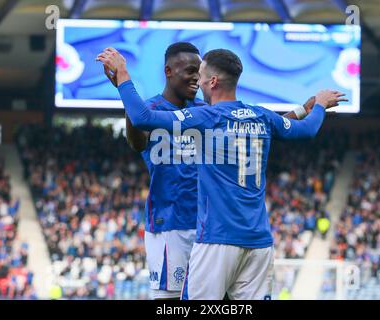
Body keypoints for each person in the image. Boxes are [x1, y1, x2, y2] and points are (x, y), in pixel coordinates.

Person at [97, 47, 346, 300]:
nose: (197, 78)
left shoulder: (205, 114)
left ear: (212, 81)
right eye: (191, 71)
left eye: (200, 72)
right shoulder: (254, 114)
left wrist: (123, 77)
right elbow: (291, 128)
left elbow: (143, 117)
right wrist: (317, 108)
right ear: (169, 72)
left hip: (212, 233)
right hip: (192, 227)